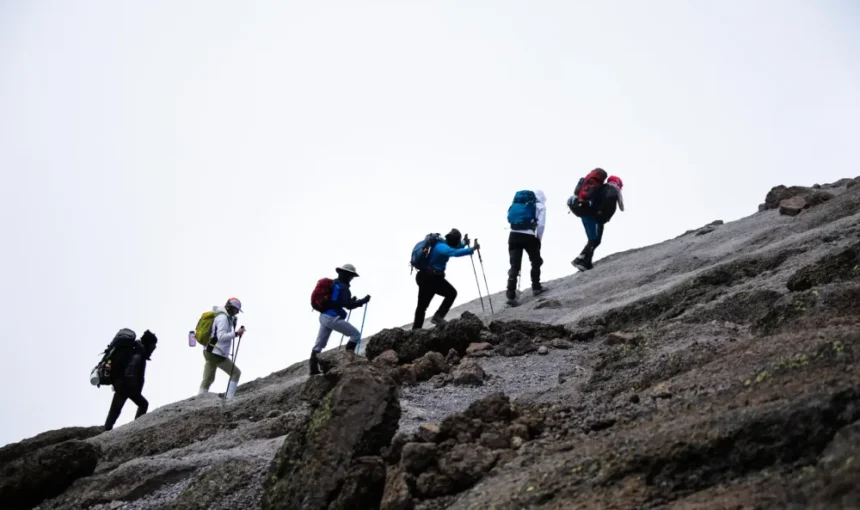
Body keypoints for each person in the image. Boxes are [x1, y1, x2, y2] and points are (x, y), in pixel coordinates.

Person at [310, 264, 370, 375]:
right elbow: (348, 305)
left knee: (319, 344)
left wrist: (351, 301)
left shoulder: (334, 284)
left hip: (323, 316)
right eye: (352, 276)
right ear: (348, 275)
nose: (352, 278)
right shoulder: (343, 287)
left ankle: (313, 370)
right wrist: (362, 301)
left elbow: (337, 301)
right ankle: (348, 359)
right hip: (331, 318)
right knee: (356, 335)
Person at [412, 228, 477, 329]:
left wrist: (464, 243)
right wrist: (472, 249)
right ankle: (419, 328)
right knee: (423, 306)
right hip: (428, 279)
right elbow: (454, 252)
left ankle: (433, 319)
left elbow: (453, 248)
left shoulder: (443, 244)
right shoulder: (442, 247)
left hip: (433, 278)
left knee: (450, 294)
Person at [104, 330, 158, 431]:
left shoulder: (136, 350)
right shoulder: (139, 353)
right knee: (142, 404)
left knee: (115, 411)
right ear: (148, 344)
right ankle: (136, 428)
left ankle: (107, 430)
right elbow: (132, 368)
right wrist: (131, 386)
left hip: (122, 384)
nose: (154, 348)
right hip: (126, 386)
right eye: (153, 345)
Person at [572, 175, 624, 271]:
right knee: (594, 240)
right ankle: (579, 260)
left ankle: (587, 263)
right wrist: (601, 212)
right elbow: (609, 199)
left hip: (588, 215)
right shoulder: (611, 188)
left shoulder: (601, 188)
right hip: (595, 217)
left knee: (594, 240)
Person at [198, 297, 246, 399]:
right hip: (216, 353)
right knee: (236, 373)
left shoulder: (222, 315)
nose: (237, 312)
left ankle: (199, 399)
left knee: (208, 378)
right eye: (236, 310)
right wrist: (236, 333)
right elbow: (221, 337)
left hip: (209, 351)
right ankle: (229, 399)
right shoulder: (223, 318)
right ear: (231, 308)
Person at [506, 190, 547, 305]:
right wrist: (538, 239)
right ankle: (536, 287)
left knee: (514, 265)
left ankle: (511, 295)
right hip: (529, 236)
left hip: (513, 235)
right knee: (536, 261)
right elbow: (541, 225)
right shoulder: (540, 206)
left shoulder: (519, 203)